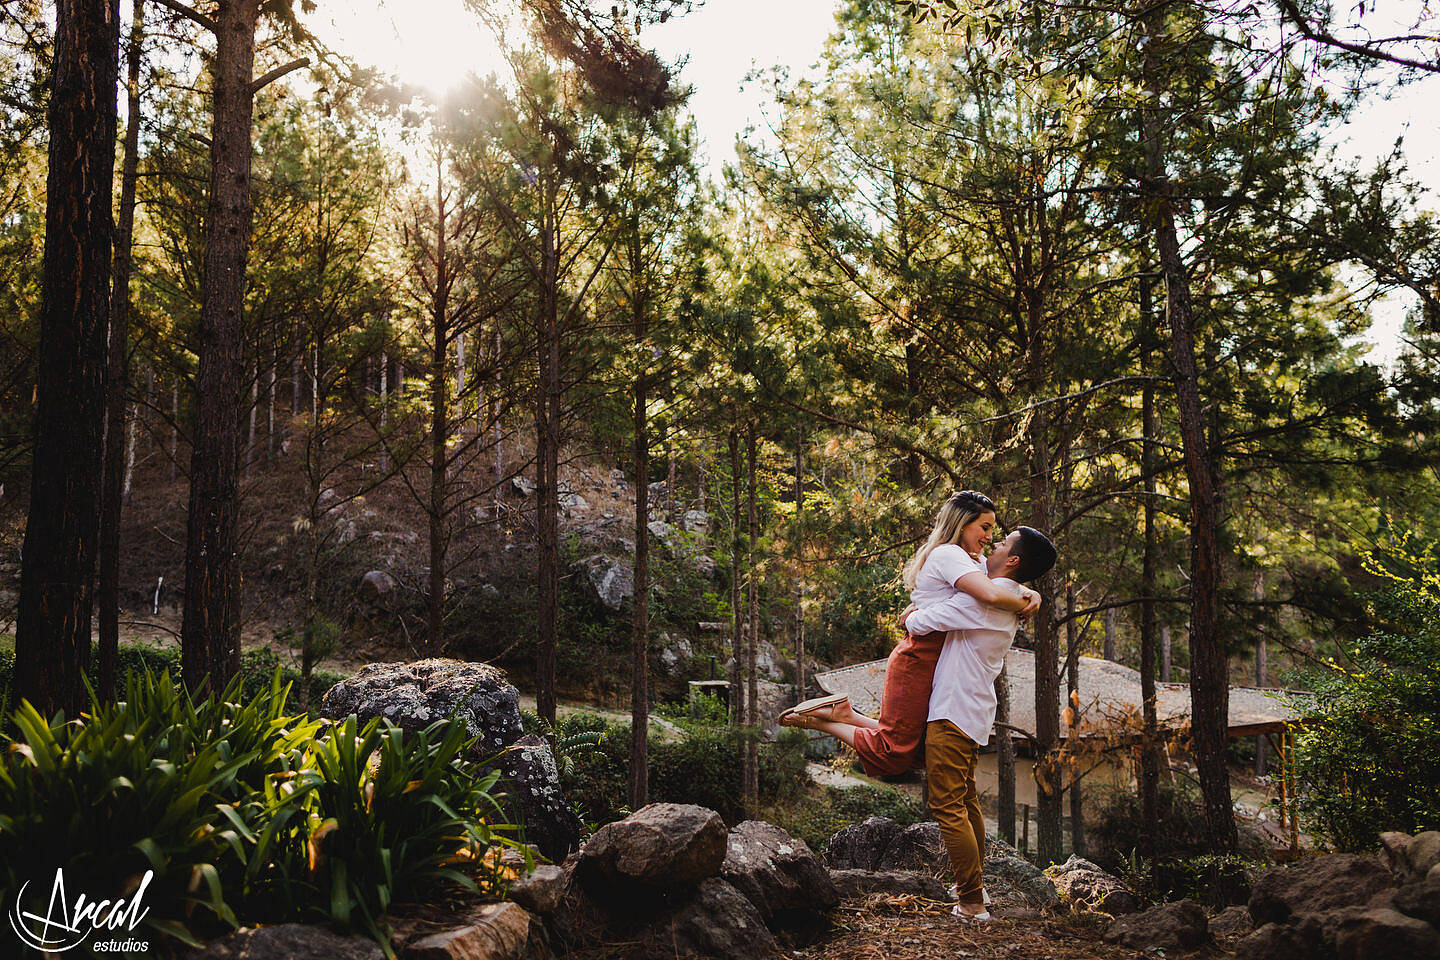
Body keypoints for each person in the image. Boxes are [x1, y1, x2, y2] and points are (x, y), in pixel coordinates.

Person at [778, 491, 1039, 777]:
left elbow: (997, 581)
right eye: (985, 528)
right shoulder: (949, 554)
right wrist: (1022, 604)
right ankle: (820, 722)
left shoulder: (969, 560)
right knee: (892, 753)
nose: (989, 537)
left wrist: (1031, 593)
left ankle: (845, 714)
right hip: (919, 657)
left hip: (936, 660)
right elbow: (989, 593)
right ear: (963, 524)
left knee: (919, 751)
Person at [907, 524, 1056, 921]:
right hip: (970, 711)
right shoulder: (1006, 595)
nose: (993, 541)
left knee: (947, 804)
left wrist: (913, 613)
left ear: (1013, 560)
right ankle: (974, 888)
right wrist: (1032, 593)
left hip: (954, 711)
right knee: (966, 801)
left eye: (1003, 541)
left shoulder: (988, 600)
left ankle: (971, 902)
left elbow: (918, 622)